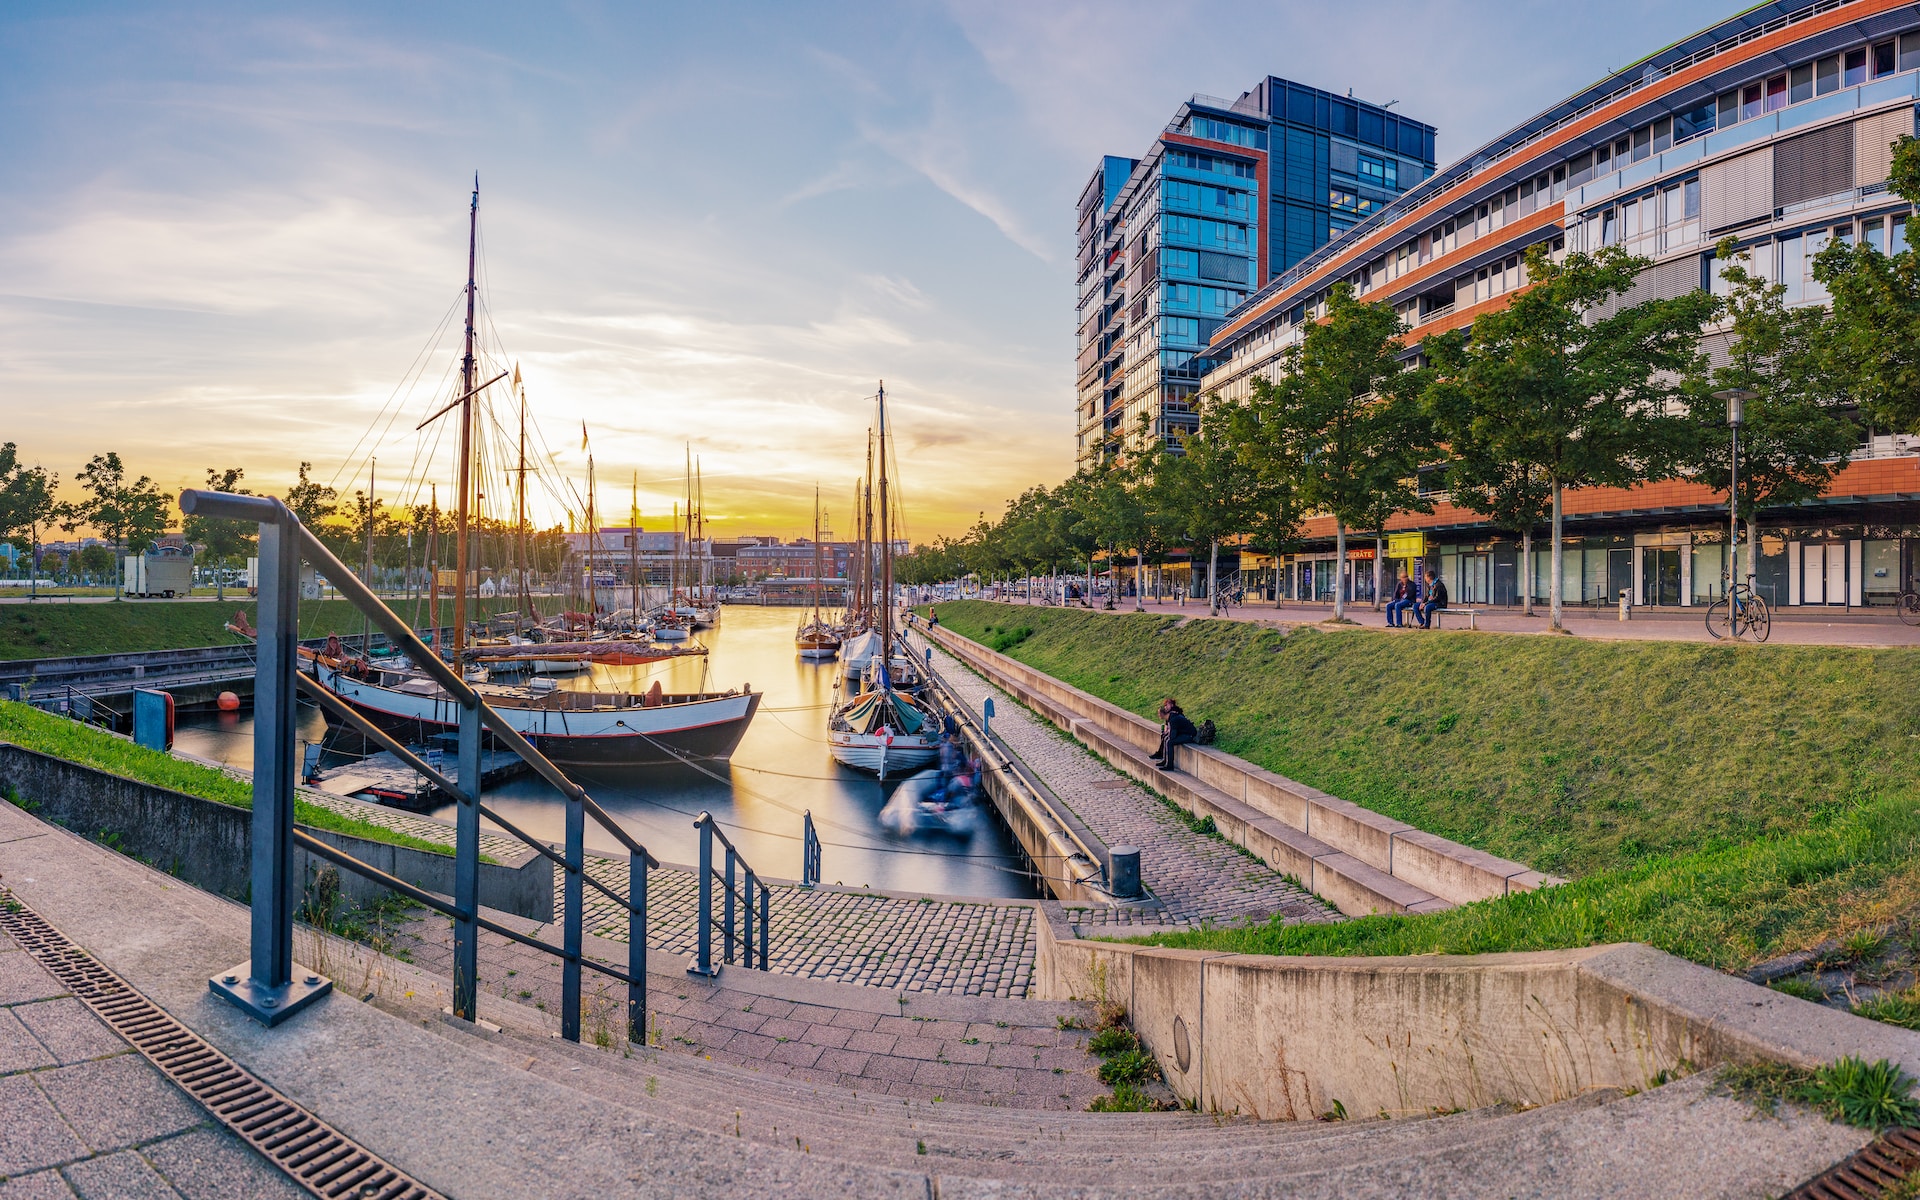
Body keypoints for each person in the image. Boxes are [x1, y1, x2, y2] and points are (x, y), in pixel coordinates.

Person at [1151, 700, 1198, 769]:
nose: (1158, 715)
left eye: (1159, 714)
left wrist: (1169, 735)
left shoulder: (1173, 719)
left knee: (1169, 742)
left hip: (1190, 735)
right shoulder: (1171, 717)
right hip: (1184, 733)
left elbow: (1173, 736)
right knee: (1166, 738)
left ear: (1162, 714)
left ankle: (1170, 765)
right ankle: (1165, 761)